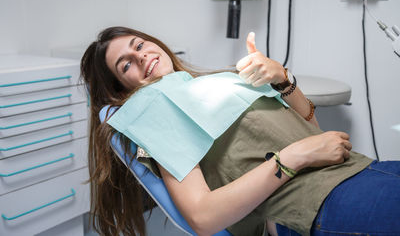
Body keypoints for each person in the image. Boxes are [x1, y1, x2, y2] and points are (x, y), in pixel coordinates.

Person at [80, 26, 400, 236]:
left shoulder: (214, 81)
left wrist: (282, 79)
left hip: (357, 169)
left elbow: (310, 134)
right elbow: (202, 217)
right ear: (119, 91)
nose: (142, 56)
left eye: (140, 44)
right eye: (126, 64)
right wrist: (290, 159)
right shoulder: (154, 110)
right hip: (311, 204)